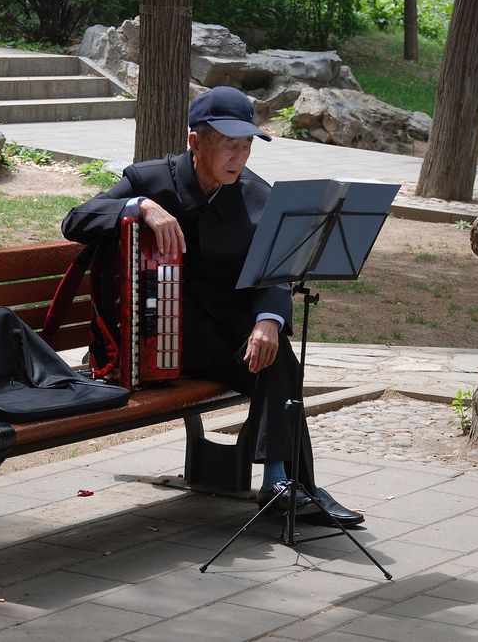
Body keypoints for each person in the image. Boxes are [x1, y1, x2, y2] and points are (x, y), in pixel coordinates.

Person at [61, 85, 363, 527]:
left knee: (278, 360)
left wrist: (268, 321)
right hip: (158, 336)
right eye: (228, 146)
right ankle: (290, 486)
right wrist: (138, 206)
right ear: (195, 142)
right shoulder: (151, 180)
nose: (238, 158)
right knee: (276, 367)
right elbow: (76, 220)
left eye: (246, 147)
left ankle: (281, 484)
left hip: (222, 334)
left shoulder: (258, 196)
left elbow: (274, 271)